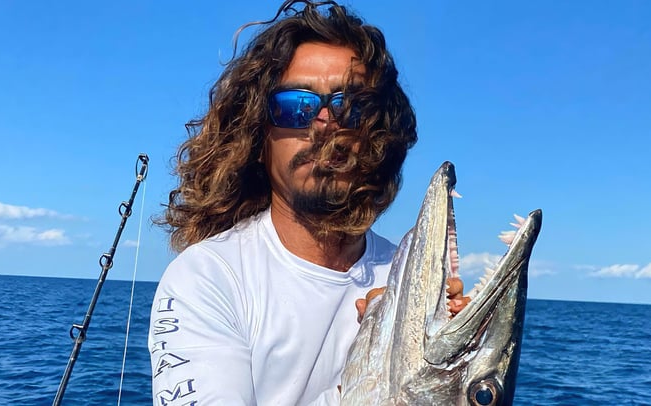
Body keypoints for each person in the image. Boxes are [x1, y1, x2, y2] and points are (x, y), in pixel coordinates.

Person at [148, 1, 468, 404]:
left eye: (351, 107)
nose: (325, 124)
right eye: (295, 106)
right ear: (257, 139)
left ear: (379, 137)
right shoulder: (209, 277)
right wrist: (382, 367)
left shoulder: (407, 276)